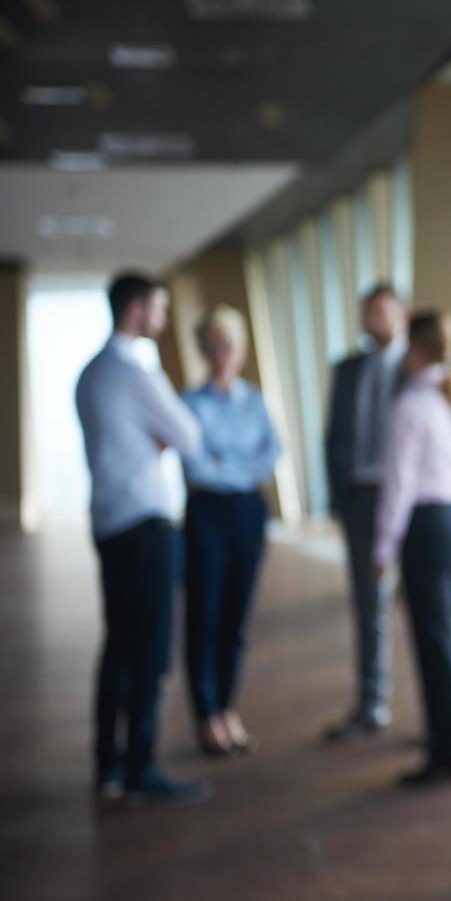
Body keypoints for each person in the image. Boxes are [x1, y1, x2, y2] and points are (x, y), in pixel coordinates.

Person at [75, 271, 213, 804]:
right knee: (150, 649)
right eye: (158, 308)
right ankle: (142, 767)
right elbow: (190, 436)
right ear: (136, 310)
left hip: (109, 521)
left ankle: (108, 763)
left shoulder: (90, 374)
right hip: (147, 524)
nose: (164, 317)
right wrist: (161, 436)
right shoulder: (135, 373)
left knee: (117, 645)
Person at [373, 309, 451, 785]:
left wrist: (382, 550)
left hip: (427, 528)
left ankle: (450, 752)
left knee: (433, 643)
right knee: (445, 640)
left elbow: (397, 487)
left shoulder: (410, 406)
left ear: (414, 348)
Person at [179, 304, 280, 757]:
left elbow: (270, 456)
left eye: (229, 345)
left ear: (240, 351)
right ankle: (206, 714)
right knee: (205, 614)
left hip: (247, 513)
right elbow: (196, 466)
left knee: (236, 618)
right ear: (205, 350)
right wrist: (234, 467)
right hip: (206, 514)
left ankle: (227, 709)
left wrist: (226, 464)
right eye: (213, 346)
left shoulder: (254, 399)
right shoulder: (190, 404)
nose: (221, 354)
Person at [322, 283, 407, 741]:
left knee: (423, 610)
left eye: (382, 312)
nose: (374, 321)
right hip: (360, 497)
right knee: (368, 604)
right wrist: (337, 497)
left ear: (403, 315)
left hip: (408, 501)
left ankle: (441, 714)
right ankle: (372, 702)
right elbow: (333, 435)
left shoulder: (417, 371)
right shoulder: (348, 369)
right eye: (367, 313)